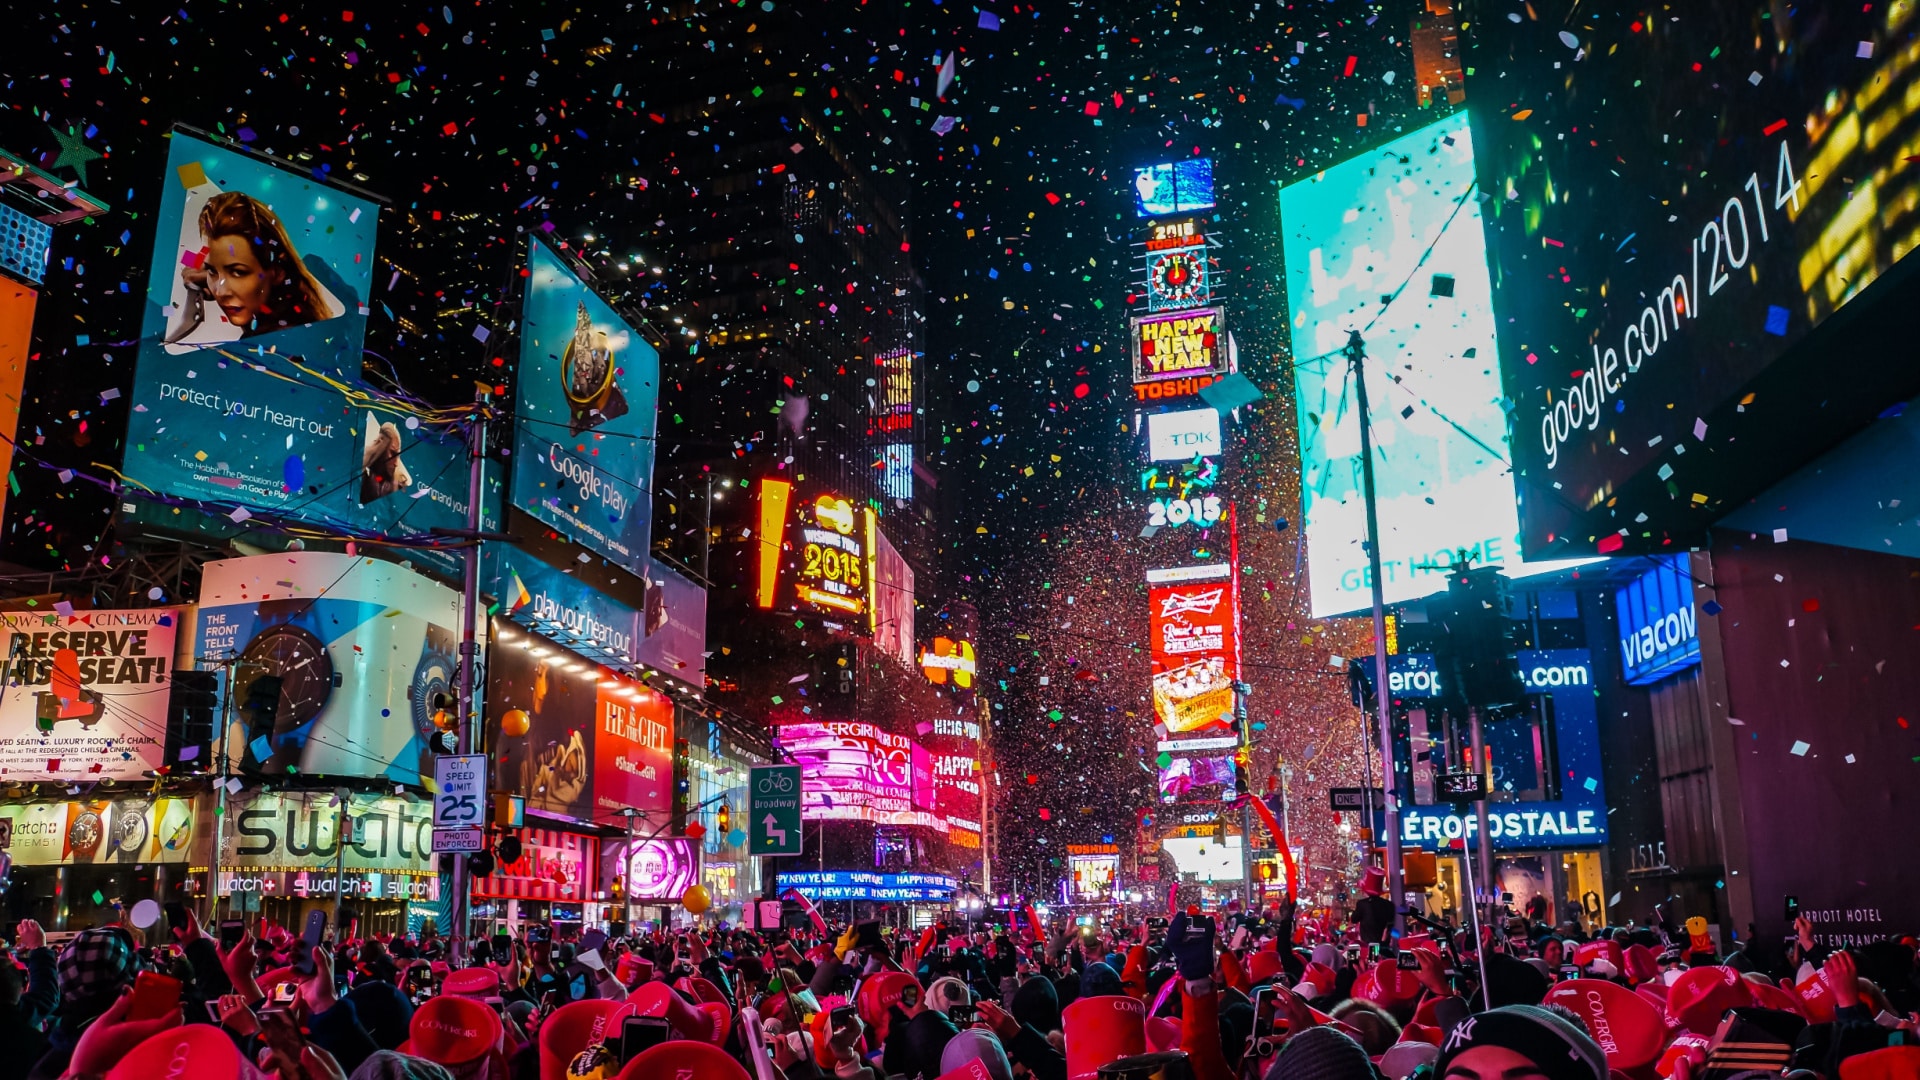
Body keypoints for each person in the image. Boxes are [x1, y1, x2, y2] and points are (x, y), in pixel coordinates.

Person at [169, 190, 337, 342]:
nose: (220, 292)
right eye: (213, 271)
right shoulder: (297, 330)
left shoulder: (276, 343)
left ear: (277, 272)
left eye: (238, 272)